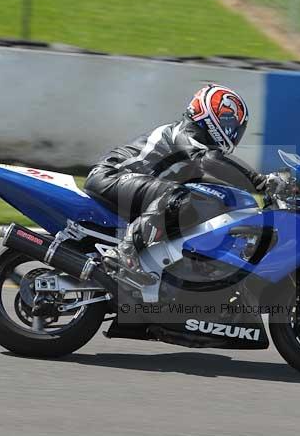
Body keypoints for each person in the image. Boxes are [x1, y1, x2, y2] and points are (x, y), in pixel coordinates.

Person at [84, 84, 267, 287]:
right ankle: (124, 253)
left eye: (234, 126)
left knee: (205, 201)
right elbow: (208, 160)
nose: (231, 130)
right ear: (208, 113)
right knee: (179, 196)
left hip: (137, 187)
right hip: (113, 175)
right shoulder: (184, 132)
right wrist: (260, 182)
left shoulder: (197, 150)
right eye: (228, 121)